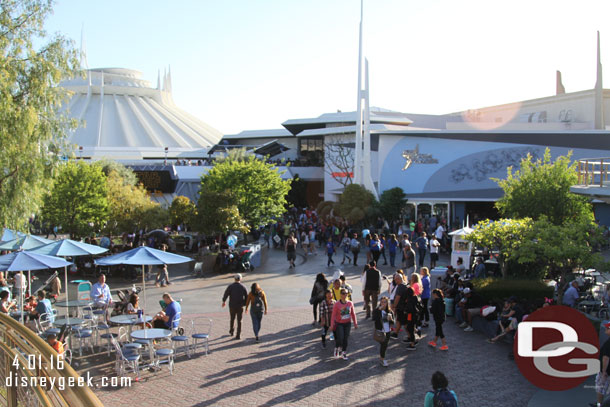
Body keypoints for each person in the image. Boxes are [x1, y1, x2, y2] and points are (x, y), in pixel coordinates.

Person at [329, 288, 358, 360]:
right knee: (340, 338)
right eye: (343, 293)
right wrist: (332, 325)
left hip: (347, 323)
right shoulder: (337, 304)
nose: (345, 295)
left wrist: (355, 323)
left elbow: (353, 313)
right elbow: (333, 315)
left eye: (346, 293)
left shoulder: (350, 303)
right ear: (340, 295)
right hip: (339, 324)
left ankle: (343, 352)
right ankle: (337, 348)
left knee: (346, 338)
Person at [222, 274, 248, 339]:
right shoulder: (243, 287)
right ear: (240, 279)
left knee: (232, 319)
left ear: (234, 279)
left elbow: (226, 294)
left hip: (232, 305)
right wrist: (244, 304)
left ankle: (231, 331)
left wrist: (224, 301)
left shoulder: (231, 286)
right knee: (239, 320)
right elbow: (247, 296)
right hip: (240, 306)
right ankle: (238, 334)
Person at [372, 296, 394, 367]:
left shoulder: (390, 311)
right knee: (383, 345)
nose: (383, 304)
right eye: (382, 302)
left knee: (384, 345)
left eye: (385, 302)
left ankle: (382, 358)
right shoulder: (377, 310)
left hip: (387, 331)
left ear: (387, 303)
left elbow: (393, 323)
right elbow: (374, 319)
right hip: (380, 331)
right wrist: (378, 310)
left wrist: (390, 319)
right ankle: (382, 359)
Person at [594, 322, 610, 407]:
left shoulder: (608, 343)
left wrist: (604, 371)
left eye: (607, 329)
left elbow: (606, 358)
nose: (605, 331)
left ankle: (599, 405)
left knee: (601, 388)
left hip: (606, 371)